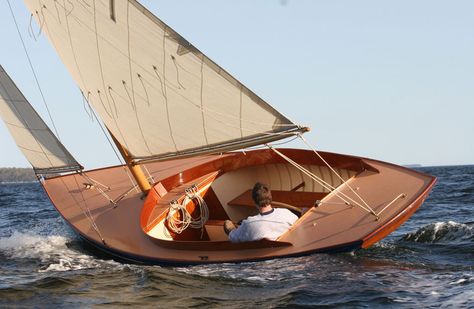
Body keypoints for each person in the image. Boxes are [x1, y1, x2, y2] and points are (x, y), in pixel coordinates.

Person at [224, 182, 298, 243]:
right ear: (270, 198)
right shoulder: (286, 213)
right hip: (285, 249)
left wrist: (232, 229)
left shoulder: (249, 224)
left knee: (228, 225)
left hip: (262, 255)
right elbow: (298, 224)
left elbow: (233, 238)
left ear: (254, 202)